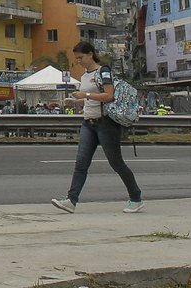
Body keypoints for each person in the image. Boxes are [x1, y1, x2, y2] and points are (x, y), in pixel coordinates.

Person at [51, 41, 144, 214]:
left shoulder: (103, 71)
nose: (79, 61)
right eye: (76, 58)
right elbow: (92, 98)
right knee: (81, 164)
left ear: (90, 54)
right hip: (88, 123)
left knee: (116, 163)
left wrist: (84, 94)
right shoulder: (85, 76)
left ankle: (136, 198)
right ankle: (71, 200)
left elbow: (108, 96)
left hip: (105, 124)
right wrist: (77, 100)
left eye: (80, 58)